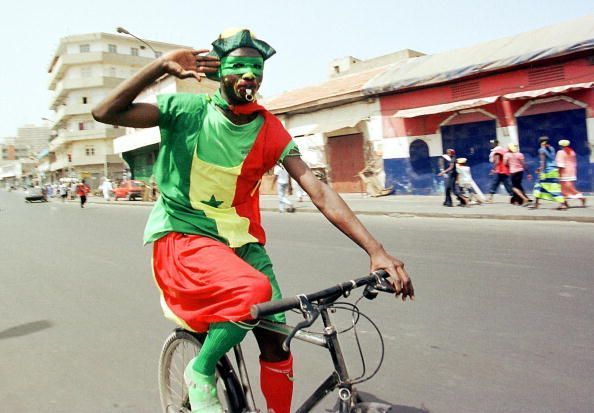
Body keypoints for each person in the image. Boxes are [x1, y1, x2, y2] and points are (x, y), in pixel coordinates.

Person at [92, 28, 414, 413]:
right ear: (220, 72)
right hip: (184, 236)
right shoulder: (186, 111)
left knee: (276, 340)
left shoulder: (269, 127)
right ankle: (201, 369)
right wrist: (161, 67)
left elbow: (319, 190)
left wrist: (376, 251)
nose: (249, 75)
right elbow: (105, 112)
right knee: (254, 291)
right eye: (239, 66)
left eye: (256, 68)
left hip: (242, 244)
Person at [529, 136, 567, 210]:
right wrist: (540, 169)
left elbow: (543, 162)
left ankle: (562, 204)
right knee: (552, 187)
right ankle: (536, 204)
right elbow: (551, 160)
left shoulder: (541, 150)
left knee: (539, 186)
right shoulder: (552, 148)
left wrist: (541, 171)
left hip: (547, 171)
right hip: (554, 170)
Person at [556, 139, 586, 208]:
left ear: (560, 146)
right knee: (566, 189)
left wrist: (558, 173)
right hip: (572, 173)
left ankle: (581, 197)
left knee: (566, 189)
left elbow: (560, 165)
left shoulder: (560, 152)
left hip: (564, 174)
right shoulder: (572, 152)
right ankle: (563, 203)